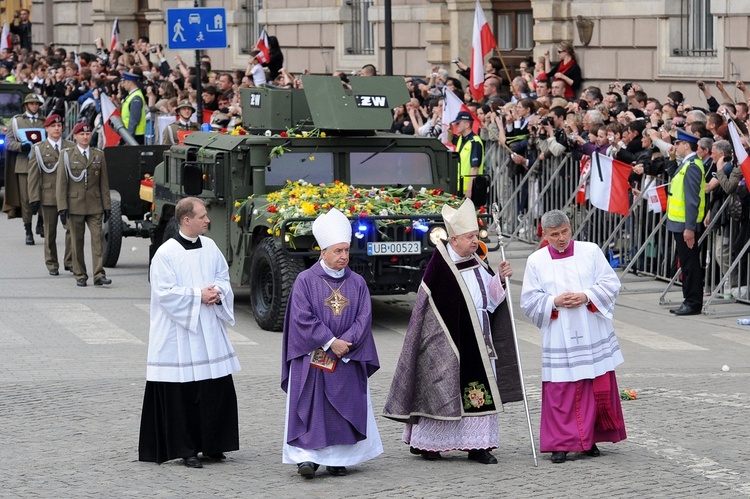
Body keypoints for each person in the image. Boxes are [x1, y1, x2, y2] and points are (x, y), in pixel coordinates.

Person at [383, 198, 520, 465]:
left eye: (474, 236)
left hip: (478, 341)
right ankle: (431, 444)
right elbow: (428, 312)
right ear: (454, 239)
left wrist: (499, 280)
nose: (473, 241)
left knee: (478, 389)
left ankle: (478, 446)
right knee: (441, 387)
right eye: (469, 237)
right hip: (445, 343)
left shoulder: (476, 261)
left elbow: (488, 301)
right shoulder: (440, 268)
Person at [138, 197, 241, 468]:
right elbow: (163, 293)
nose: (208, 220)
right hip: (179, 334)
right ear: (186, 220)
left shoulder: (210, 246)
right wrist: (198, 296)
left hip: (208, 330)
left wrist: (217, 293)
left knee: (213, 389)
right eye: (203, 216)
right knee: (182, 393)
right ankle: (186, 449)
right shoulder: (166, 253)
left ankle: (214, 444)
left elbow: (223, 276)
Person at [281, 208, 382, 479]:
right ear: (323, 252)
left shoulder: (358, 283)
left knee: (344, 405)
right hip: (314, 356)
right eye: (338, 251)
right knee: (313, 406)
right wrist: (329, 341)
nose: (344, 257)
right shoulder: (305, 281)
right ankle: (308, 458)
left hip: (346, 355)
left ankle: (339, 459)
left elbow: (364, 317)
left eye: (346, 251)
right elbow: (301, 318)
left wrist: (345, 343)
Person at [520, 209, 627, 464]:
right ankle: (560, 444)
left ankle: (588, 440)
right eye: (554, 234)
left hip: (590, 328)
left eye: (564, 232)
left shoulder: (590, 251)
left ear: (571, 228)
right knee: (560, 390)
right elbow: (528, 299)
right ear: (544, 235)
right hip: (559, 334)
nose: (561, 239)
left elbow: (611, 283)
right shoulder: (536, 261)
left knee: (593, 385)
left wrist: (586, 296)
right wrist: (553, 301)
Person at [55, 122, 112, 287]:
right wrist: (62, 208)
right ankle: (80, 274)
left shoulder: (98, 155)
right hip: (75, 205)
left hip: (95, 205)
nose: (85, 137)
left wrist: (107, 206)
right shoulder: (66, 155)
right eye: (82, 134)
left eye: (87, 134)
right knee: (76, 241)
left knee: (98, 240)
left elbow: (104, 183)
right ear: (75, 136)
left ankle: (99, 274)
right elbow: (61, 184)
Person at [27, 114, 74, 276]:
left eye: (59, 126)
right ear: (46, 129)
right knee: (50, 232)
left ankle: (70, 261)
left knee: (72, 230)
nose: (56, 129)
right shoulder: (39, 149)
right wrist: (34, 198)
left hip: (68, 197)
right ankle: (52, 263)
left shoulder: (70, 147)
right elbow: (33, 176)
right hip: (49, 196)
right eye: (53, 126)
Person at [666, 129, 706, 315]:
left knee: (690, 265)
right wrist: (672, 159)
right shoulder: (687, 164)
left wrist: (689, 227)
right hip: (679, 223)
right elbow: (674, 178)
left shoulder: (692, 166)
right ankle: (688, 300)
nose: (675, 146)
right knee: (687, 264)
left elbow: (692, 200)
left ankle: (693, 302)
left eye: (677, 143)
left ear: (685, 145)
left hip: (685, 225)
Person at [2, 93, 46, 244]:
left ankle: (41, 222)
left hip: (43, 164)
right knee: (26, 199)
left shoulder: (44, 121)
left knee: (44, 195)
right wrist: (21, 146)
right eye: (32, 103)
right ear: (26, 105)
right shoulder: (16, 121)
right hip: (24, 165)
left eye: (37, 104)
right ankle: (28, 230)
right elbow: (8, 142)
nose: (35, 106)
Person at [449, 111, 484, 201]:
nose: (456, 126)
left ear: (467, 124)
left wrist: (469, 190)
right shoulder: (461, 138)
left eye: (458, 123)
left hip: (470, 189)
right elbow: (451, 140)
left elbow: (474, 168)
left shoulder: (475, 142)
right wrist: (450, 131)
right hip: (459, 187)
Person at [120, 71, 147, 144]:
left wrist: (128, 138)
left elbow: (134, 120)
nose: (123, 84)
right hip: (129, 133)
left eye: (124, 81)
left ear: (130, 82)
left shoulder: (136, 98)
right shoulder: (132, 95)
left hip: (134, 135)